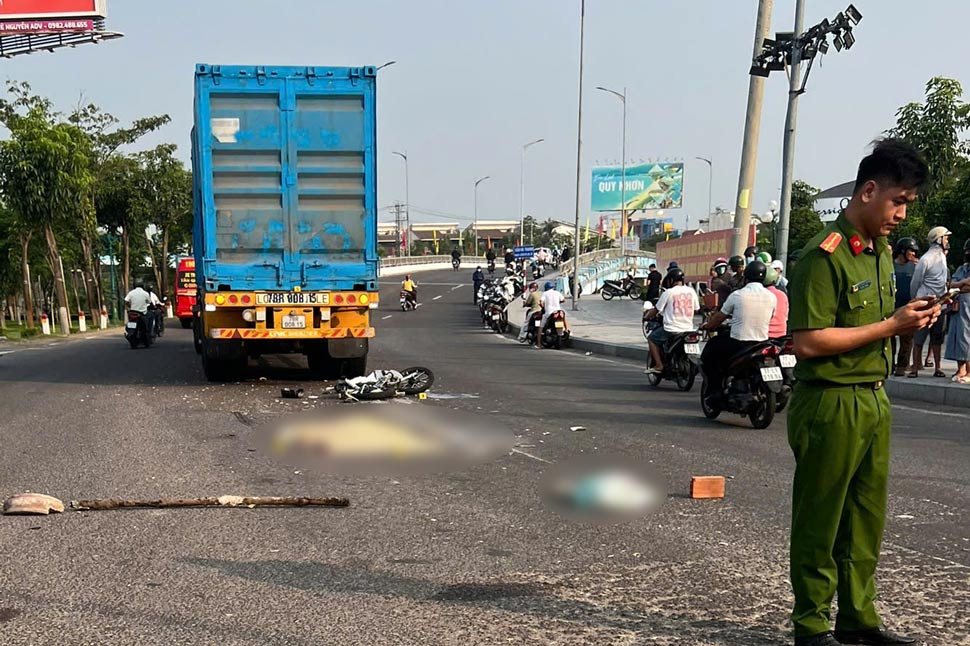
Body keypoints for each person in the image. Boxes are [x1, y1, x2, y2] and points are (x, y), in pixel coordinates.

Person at [786, 138, 935, 646]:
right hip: (830, 401)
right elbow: (808, 342)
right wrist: (892, 326)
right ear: (869, 191)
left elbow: (875, 324)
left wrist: (908, 321)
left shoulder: (879, 253)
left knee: (865, 518)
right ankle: (811, 625)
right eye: (899, 201)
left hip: (873, 397)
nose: (902, 214)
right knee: (822, 518)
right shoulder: (823, 255)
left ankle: (857, 620)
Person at [699, 261, 775, 390]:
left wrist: (707, 326)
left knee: (711, 351)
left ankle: (715, 389)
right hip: (762, 343)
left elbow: (719, 318)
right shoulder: (772, 297)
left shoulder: (737, 295)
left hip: (739, 344)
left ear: (746, 277)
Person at [908, 225, 952, 378]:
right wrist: (916, 300)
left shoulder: (942, 258)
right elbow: (915, 282)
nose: (947, 241)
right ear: (938, 239)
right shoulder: (925, 259)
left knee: (937, 338)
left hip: (940, 303)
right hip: (925, 303)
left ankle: (938, 368)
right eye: (945, 238)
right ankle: (915, 368)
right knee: (919, 337)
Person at [645, 268, 698, 374]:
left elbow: (656, 309)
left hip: (672, 329)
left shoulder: (669, 292)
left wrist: (647, 315)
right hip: (688, 328)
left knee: (651, 338)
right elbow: (696, 309)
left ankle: (659, 365)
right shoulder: (691, 291)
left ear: (671, 280)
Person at [891, 237, 920, 376]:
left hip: (908, 305)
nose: (913, 254)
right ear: (902, 250)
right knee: (889, 336)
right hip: (892, 305)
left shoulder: (915, 266)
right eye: (911, 251)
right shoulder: (890, 266)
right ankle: (890, 364)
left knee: (907, 339)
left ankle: (902, 366)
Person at [944, 240, 970, 382]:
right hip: (958, 308)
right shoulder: (962, 268)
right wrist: (962, 283)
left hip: (968, 307)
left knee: (967, 338)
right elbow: (949, 285)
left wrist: (959, 286)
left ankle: (969, 372)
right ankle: (961, 369)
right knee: (957, 337)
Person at [536, 281, 566, 348]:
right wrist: (558, 302)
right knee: (563, 318)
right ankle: (566, 330)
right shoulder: (557, 292)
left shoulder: (545, 293)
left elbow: (541, 302)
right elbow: (563, 300)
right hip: (558, 312)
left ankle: (539, 344)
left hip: (549, 313)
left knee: (541, 327)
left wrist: (542, 306)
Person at [765, 266, 789, 339]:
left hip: (764, 335)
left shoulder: (762, 294)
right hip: (782, 335)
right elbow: (786, 316)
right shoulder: (783, 295)